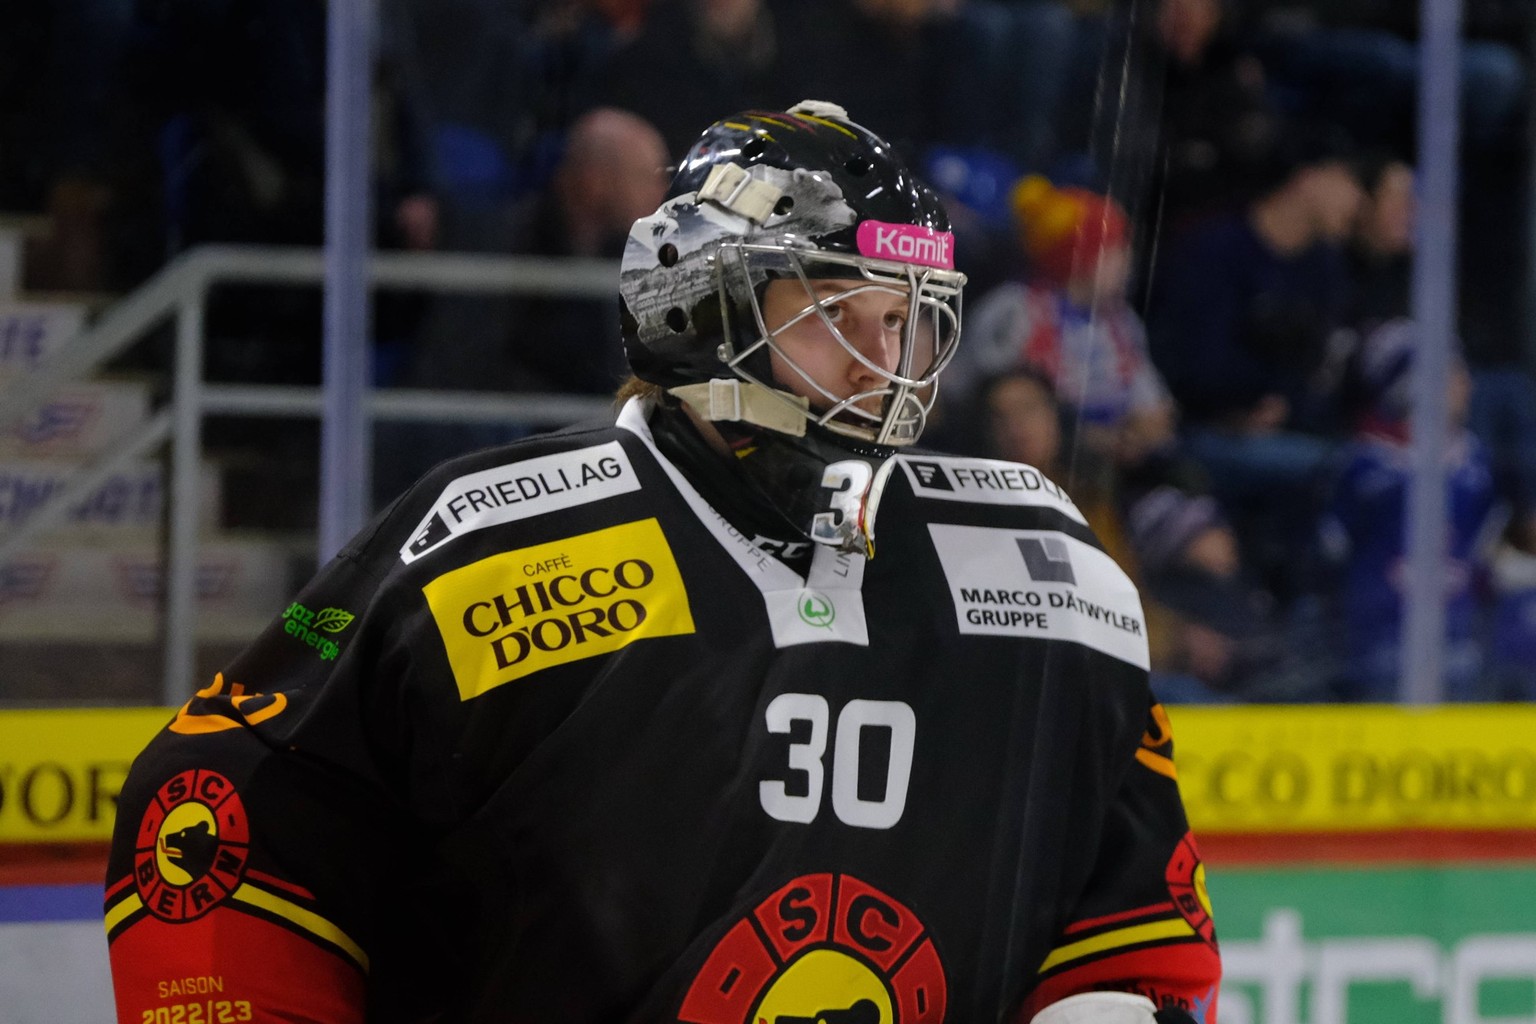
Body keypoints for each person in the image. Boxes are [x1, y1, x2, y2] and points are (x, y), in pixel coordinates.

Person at [104, 101, 1220, 1023]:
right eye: (838, 315)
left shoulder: (1049, 583)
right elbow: (210, 823)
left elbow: (1136, 941)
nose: (891, 371)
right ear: (697, 303)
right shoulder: (487, 548)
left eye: (911, 322)